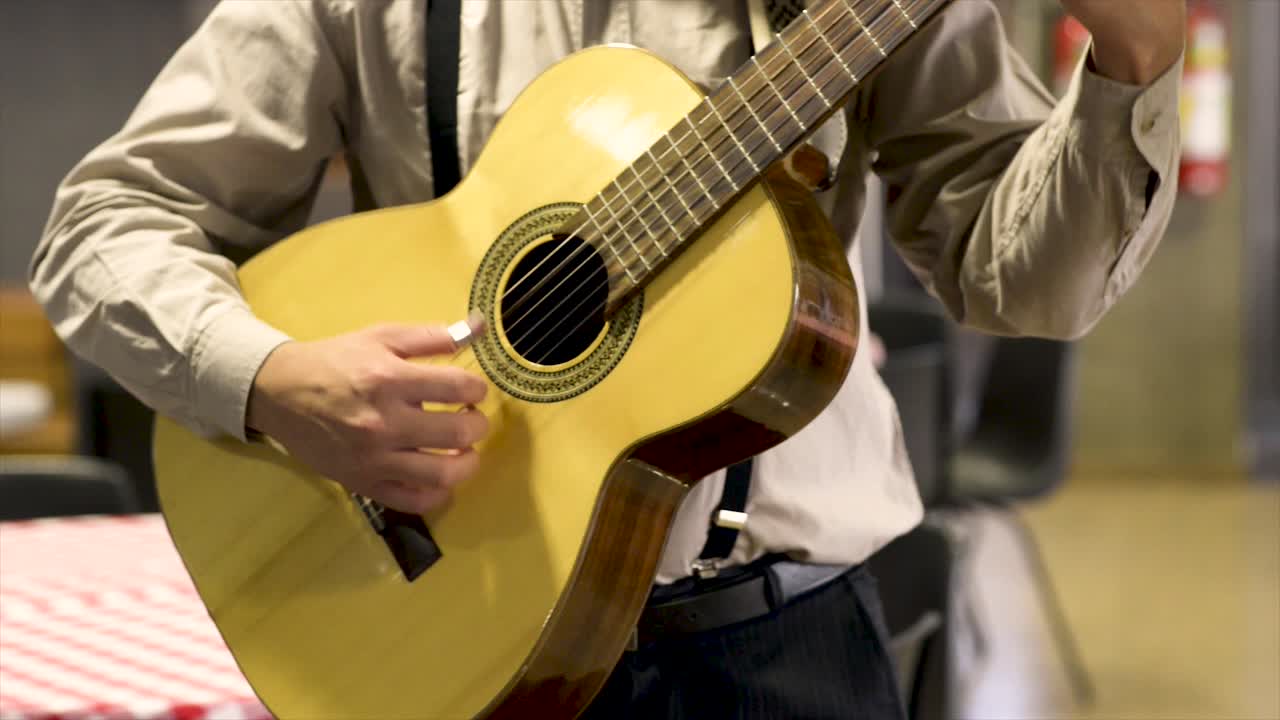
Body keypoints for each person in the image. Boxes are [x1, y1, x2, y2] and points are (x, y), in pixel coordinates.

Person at [30, 0, 1185, 717]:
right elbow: (102, 224)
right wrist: (266, 379)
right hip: (454, 631)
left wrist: (1131, 65)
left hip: (777, 649)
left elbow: (1021, 283)